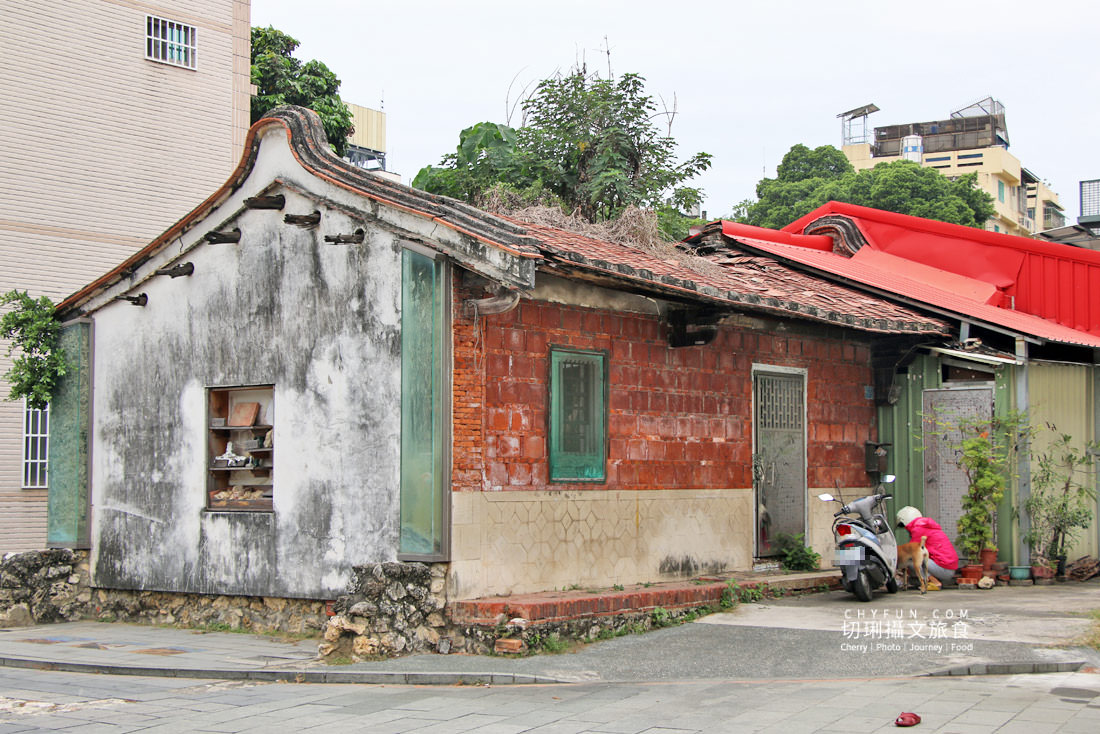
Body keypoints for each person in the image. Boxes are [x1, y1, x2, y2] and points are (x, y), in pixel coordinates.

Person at [896, 506, 960, 589]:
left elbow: (910, 551)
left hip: (944, 570)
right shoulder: (926, 526)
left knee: (911, 560)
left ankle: (934, 582)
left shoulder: (919, 529)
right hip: (948, 568)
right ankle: (931, 580)